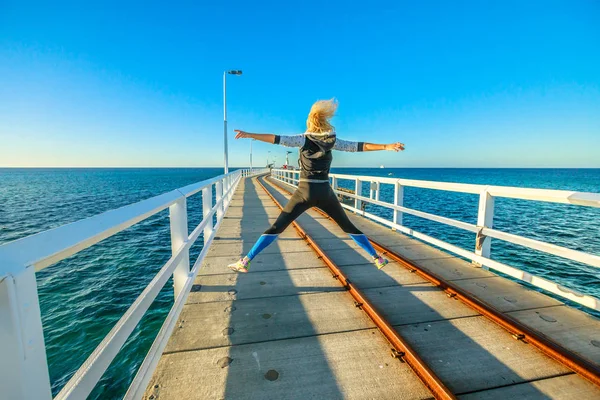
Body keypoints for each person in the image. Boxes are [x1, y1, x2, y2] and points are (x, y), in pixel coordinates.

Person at [228, 99, 405, 273]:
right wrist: (386, 146)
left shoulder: (302, 140)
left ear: (310, 121)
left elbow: (276, 139)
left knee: (277, 227)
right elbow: (358, 146)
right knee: (347, 226)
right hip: (325, 192)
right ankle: (377, 258)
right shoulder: (333, 141)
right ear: (324, 120)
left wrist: (250, 134)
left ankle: (245, 261)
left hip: (304, 191)